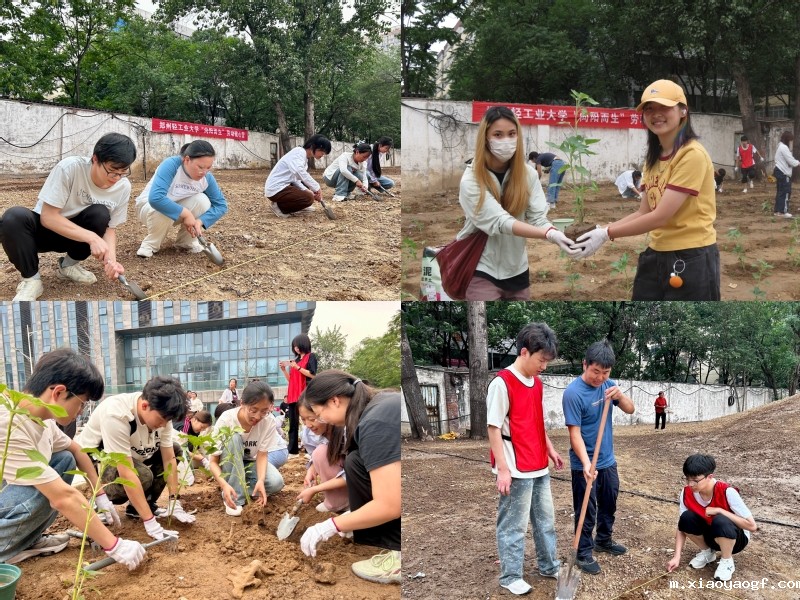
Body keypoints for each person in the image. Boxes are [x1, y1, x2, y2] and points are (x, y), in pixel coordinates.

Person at [573, 79, 719, 301]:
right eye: (649, 109)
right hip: (656, 253)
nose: (656, 114)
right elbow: (644, 211)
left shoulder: (691, 155)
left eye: (664, 107)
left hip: (691, 256)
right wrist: (603, 230)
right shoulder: (654, 159)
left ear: (683, 111)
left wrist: (607, 234)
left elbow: (660, 216)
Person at [0, 349, 145, 569]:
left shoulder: (42, 420)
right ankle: (7, 547)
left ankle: (26, 539)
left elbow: (77, 450)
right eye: (82, 402)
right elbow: (62, 497)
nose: (81, 411)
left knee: (64, 459)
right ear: (58, 392)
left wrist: (99, 494)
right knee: (51, 485)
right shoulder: (9, 423)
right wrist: (114, 545)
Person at [456, 106, 579, 300]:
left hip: (517, 268)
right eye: (498, 134)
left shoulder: (528, 174)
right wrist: (548, 234)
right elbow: (499, 222)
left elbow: (538, 218)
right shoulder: (472, 179)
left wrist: (554, 233)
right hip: (480, 265)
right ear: (485, 138)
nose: (506, 140)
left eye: (511, 134)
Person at [0, 133, 136, 301]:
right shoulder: (70, 168)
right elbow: (48, 217)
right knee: (13, 217)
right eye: (112, 171)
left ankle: (68, 266)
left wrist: (112, 261)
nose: (116, 178)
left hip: (76, 238)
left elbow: (110, 228)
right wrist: (92, 238)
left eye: (123, 172)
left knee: (100, 214)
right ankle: (31, 280)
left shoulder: (123, 187)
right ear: (95, 159)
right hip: (43, 233)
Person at [300, 371, 401, 585]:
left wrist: (331, 525)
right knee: (355, 461)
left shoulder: (375, 424)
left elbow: (391, 505)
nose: (321, 420)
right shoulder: (375, 406)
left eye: (319, 414)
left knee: (355, 461)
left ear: (334, 401)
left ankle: (400, 557)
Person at [487, 323, 564, 595]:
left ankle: (549, 565)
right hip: (515, 467)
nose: (544, 366)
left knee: (546, 521)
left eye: (547, 361)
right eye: (541, 360)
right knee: (513, 525)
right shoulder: (502, 383)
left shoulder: (537, 383)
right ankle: (510, 576)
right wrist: (503, 469)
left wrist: (550, 449)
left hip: (538, 464)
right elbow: (493, 428)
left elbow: (536, 421)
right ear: (523, 352)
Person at [75, 375, 196, 537]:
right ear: (145, 406)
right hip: (98, 461)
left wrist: (175, 501)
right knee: (143, 476)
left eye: (168, 421)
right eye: (162, 420)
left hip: (133, 453)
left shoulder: (162, 416)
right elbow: (127, 472)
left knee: (175, 450)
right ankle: (101, 501)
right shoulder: (118, 414)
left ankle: (140, 507)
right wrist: (150, 522)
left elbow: (169, 459)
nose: (164, 425)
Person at [562, 340, 635, 575]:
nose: (600, 377)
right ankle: (583, 553)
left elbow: (630, 409)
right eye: (596, 371)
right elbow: (574, 433)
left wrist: (620, 396)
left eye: (606, 372)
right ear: (585, 364)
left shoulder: (609, 386)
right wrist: (585, 463)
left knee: (609, 502)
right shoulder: (573, 393)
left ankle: (603, 540)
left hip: (607, 461)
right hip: (583, 463)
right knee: (587, 509)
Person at [666, 454, 756, 582]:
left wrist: (720, 510)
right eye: (687, 479)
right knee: (686, 518)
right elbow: (681, 527)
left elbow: (752, 526)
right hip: (710, 535)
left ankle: (727, 561)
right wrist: (677, 556)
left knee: (720, 520)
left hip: (735, 539)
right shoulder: (686, 492)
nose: (690, 484)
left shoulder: (727, 491)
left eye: (695, 480)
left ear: (709, 477)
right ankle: (707, 552)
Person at [135, 140, 228, 258]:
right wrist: (187, 214)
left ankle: (186, 243)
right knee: (164, 207)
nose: (204, 172)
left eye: (208, 168)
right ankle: (150, 244)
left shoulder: (207, 178)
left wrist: (200, 221)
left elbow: (221, 205)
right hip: (149, 208)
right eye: (200, 167)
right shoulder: (171, 165)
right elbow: (156, 199)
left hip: (177, 210)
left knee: (202, 201)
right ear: (187, 160)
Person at [207, 381, 285, 516]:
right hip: (228, 462)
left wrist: (260, 480)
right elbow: (213, 462)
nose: (257, 416)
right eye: (253, 410)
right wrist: (223, 484)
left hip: (249, 462)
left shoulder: (269, 422)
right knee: (234, 437)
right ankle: (234, 499)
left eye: (264, 411)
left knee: (276, 483)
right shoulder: (227, 419)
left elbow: (262, 455)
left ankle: (236, 489)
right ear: (242, 403)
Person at [297, 398, 349, 513]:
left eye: (312, 419)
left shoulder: (347, 431)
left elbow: (352, 474)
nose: (308, 425)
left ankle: (351, 503)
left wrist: (315, 489)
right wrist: (311, 469)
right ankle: (336, 501)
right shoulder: (308, 433)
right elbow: (315, 455)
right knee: (319, 453)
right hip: (344, 474)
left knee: (321, 452)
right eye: (303, 419)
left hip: (359, 480)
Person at [264, 134, 332, 218]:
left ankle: (299, 206)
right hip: (276, 188)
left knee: (307, 189)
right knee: (308, 198)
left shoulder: (304, 159)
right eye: (322, 151)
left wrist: (309, 191)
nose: (323, 154)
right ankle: (279, 207)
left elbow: (296, 180)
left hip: (283, 187)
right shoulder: (298, 152)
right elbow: (298, 171)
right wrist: (316, 187)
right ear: (313, 146)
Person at [280, 333, 317, 455]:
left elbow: (312, 374)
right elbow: (291, 380)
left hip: (305, 394)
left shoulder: (310, 357)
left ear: (303, 344)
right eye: (294, 347)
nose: (296, 348)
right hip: (293, 394)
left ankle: (310, 447)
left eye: (297, 346)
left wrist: (298, 368)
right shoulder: (294, 361)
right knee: (293, 423)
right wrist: (284, 370)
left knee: (309, 420)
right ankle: (292, 450)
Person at [773, 130, 799, 218]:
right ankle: (783, 211)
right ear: (787, 140)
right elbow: (791, 161)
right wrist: (798, 163)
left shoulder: (780, 146)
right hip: (783, 172)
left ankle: (778, 211)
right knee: (785, 191)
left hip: (779, 171)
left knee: (780, 191)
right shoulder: (784, 148)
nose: (791, 142)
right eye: (790, 140)